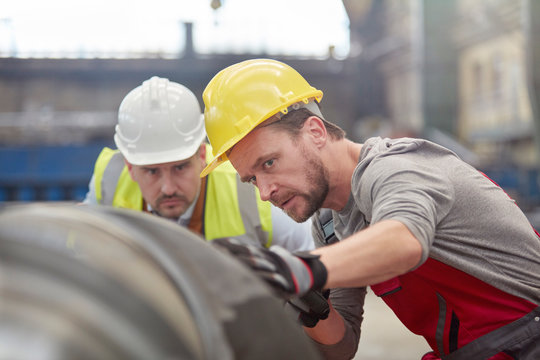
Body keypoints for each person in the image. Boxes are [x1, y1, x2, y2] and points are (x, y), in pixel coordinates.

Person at [200, 59, 540, 360]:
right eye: (251, 179)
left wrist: (295, 268)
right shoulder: (330, 223)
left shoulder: (396, 167)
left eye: (269, 162)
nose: (264, 192)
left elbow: (404, 240)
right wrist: (311, 309)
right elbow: (343, 346)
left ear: (315, 132)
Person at [83, 76, 314, 252]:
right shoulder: (109, 180)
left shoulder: (251, 187)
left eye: (180, 167)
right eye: (152, 171)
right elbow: (78, 257)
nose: (168, 188)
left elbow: (316, 262)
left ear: (202, 154)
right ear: (130, 167)